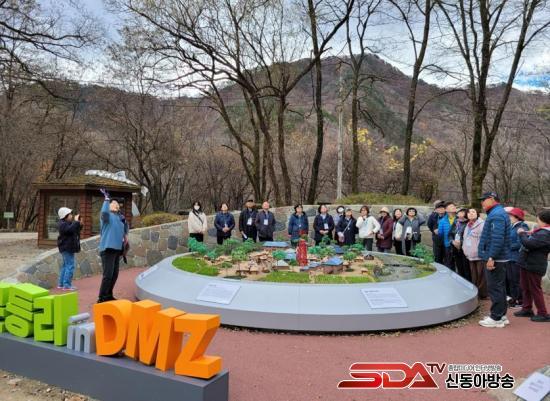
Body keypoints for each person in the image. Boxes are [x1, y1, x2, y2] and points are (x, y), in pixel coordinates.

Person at [478, 192, 511, 328]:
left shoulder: (496, 214)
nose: (482, 203)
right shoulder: (498, 212)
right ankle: (501, 315)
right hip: (499, 257)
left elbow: (497, 239)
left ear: (491, 199)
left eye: (483, 200)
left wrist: (491, 257)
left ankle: (496, 317)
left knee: (495, 288)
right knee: (500, 287)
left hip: (496, 258)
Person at [514, 209, 550, 322]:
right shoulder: (541, 231)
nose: (537, 221)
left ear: (544, 220)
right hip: (526, 263)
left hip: (535, 264)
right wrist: (529, 233)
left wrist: (521, 233)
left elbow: (529, 244)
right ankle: (527, 308)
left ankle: (543, 313)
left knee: (535, 289)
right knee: (525, 287)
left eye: (538, 219)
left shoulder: (545, 233)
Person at [97, 189, 128, 303]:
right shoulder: (107, 217)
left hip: (117, 250)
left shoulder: (119, 218)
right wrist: (106, 200)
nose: (116, 204)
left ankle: (109, 295)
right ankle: (102, 298)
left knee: (114, 275)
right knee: (108, 275)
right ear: (108, 206)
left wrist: (124, 222)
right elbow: (104, 213)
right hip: (107, 249)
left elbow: (125, 231)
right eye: (113, 203)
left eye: (117, 204)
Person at [506, 207, 529, 308]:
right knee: (511, 279)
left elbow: (521, 243)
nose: (508, 217)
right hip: (509, 257)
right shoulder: (512, 226)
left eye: (510, 216)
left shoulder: (523, 227)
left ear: (517, 217)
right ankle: (514, 299)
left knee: (517, 280)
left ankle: (520, 301)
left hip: (517, 258)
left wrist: (507, 246)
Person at [462, 208, 487, 299]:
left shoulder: (482, 224)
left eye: (473, 212)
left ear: (477, 214)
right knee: (474, 275)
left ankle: (482, 294)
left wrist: (481, 251)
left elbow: (485, 240)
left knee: (481, 275)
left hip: (479, 255)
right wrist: (464, 249)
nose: (471, 213)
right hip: (470, 255)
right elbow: (465, 239)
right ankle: (475, 292)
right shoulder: (468, 225)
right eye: (469, 212)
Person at [57, 207, 82, 291]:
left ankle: (61, 284)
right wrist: (76, 222)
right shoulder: (63, 224)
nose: (71, 215)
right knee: (70, 266)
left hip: (67, 247)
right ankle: (67, 285)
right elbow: (70, 229)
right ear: (65, 216)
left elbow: (75, 230)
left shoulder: (67, 223)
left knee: (65, 265)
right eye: (70, 214)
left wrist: (79, 223)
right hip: (66, 248)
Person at [451, 208, 471, 281]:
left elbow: (469, 237)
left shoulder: (469, 223)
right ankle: (460, 282)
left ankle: (468, 283)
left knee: (466, 268)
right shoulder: (456, 222)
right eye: (459, 212)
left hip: (464, 248)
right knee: (459, 266)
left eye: (462, 212)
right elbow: (450, 234)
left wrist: (460, 243)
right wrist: (452, 241)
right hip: (455, 247)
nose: (459, 213)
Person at [438, 202, 458, 271]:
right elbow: (440, 233)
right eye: (451, 206)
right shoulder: (442, 221)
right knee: (449, 263)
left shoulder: (459, 218)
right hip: (448, 244)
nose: (453, 207)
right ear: (446, 210)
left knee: (460, 264)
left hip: (459, 244)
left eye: (454, 206)